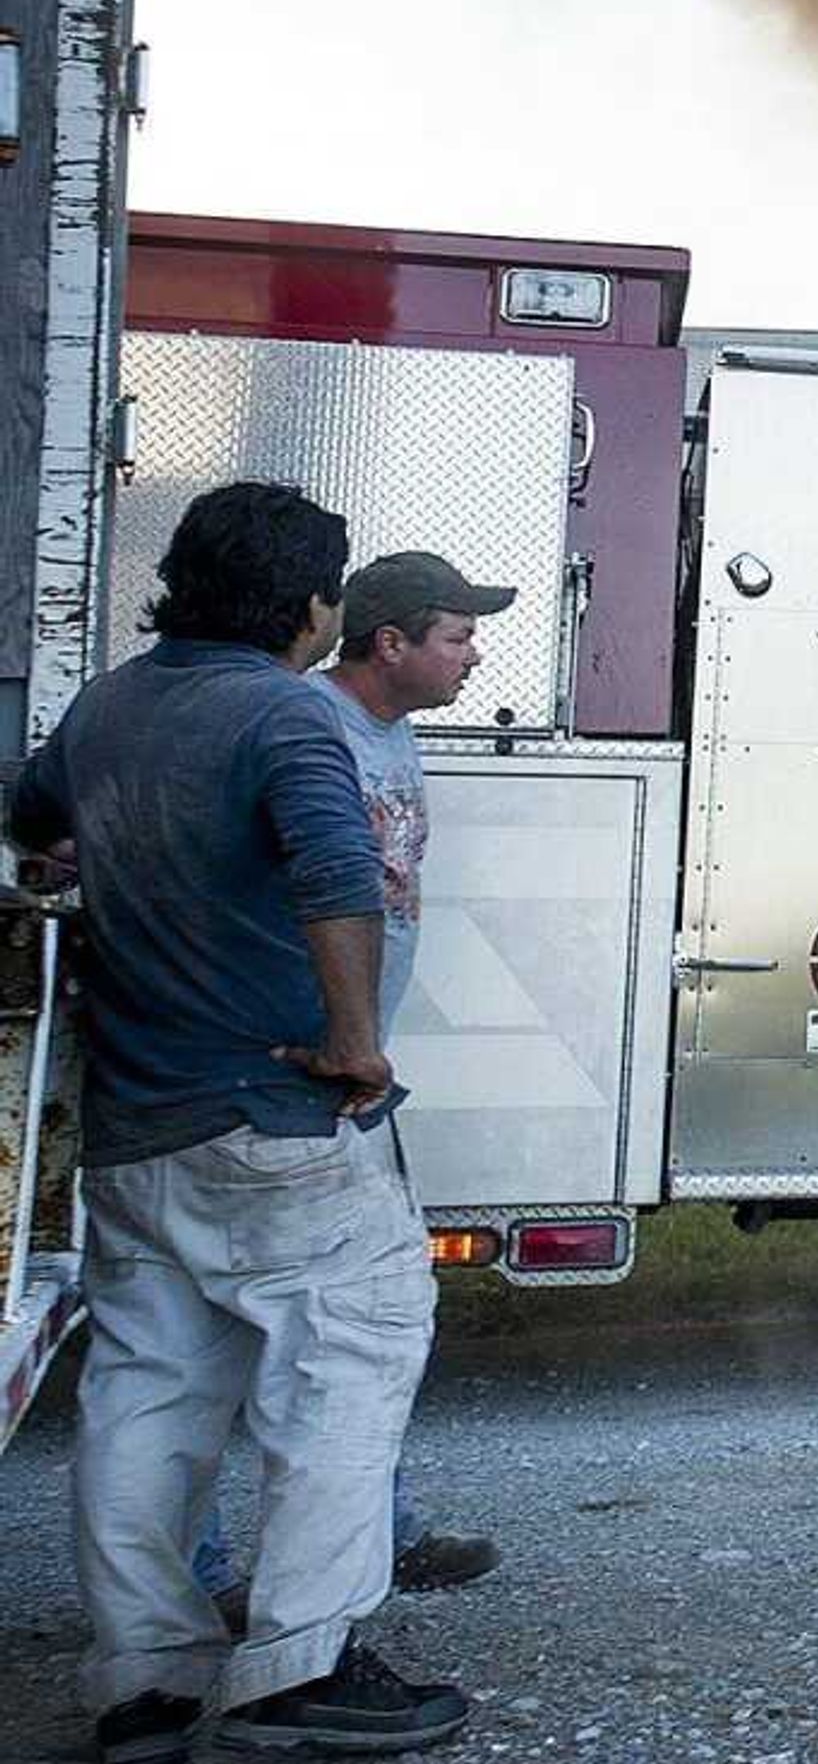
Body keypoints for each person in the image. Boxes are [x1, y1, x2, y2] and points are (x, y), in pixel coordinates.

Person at [8, 483, 473, 1758]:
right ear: (312, 605)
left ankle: (142, 1684)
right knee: (349, 1357)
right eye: (331, 593)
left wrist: (83, 862)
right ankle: (296, 1669)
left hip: (136, 1124)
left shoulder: (110, 705)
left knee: (149, 1397)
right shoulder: (284, 711)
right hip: (272, 1118)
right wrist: (355, 1043)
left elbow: (32, 819)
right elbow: (336, 877)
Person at [189, 551, 516, 1611]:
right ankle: (201, 1579)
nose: (474, 655)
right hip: (288, 1070)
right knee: (234, 1338)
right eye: (459, 636)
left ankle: (381, 1527)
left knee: (359, 1324)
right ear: (391, 643)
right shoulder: (303, 726)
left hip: (352, 1065)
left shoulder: (390, 731)